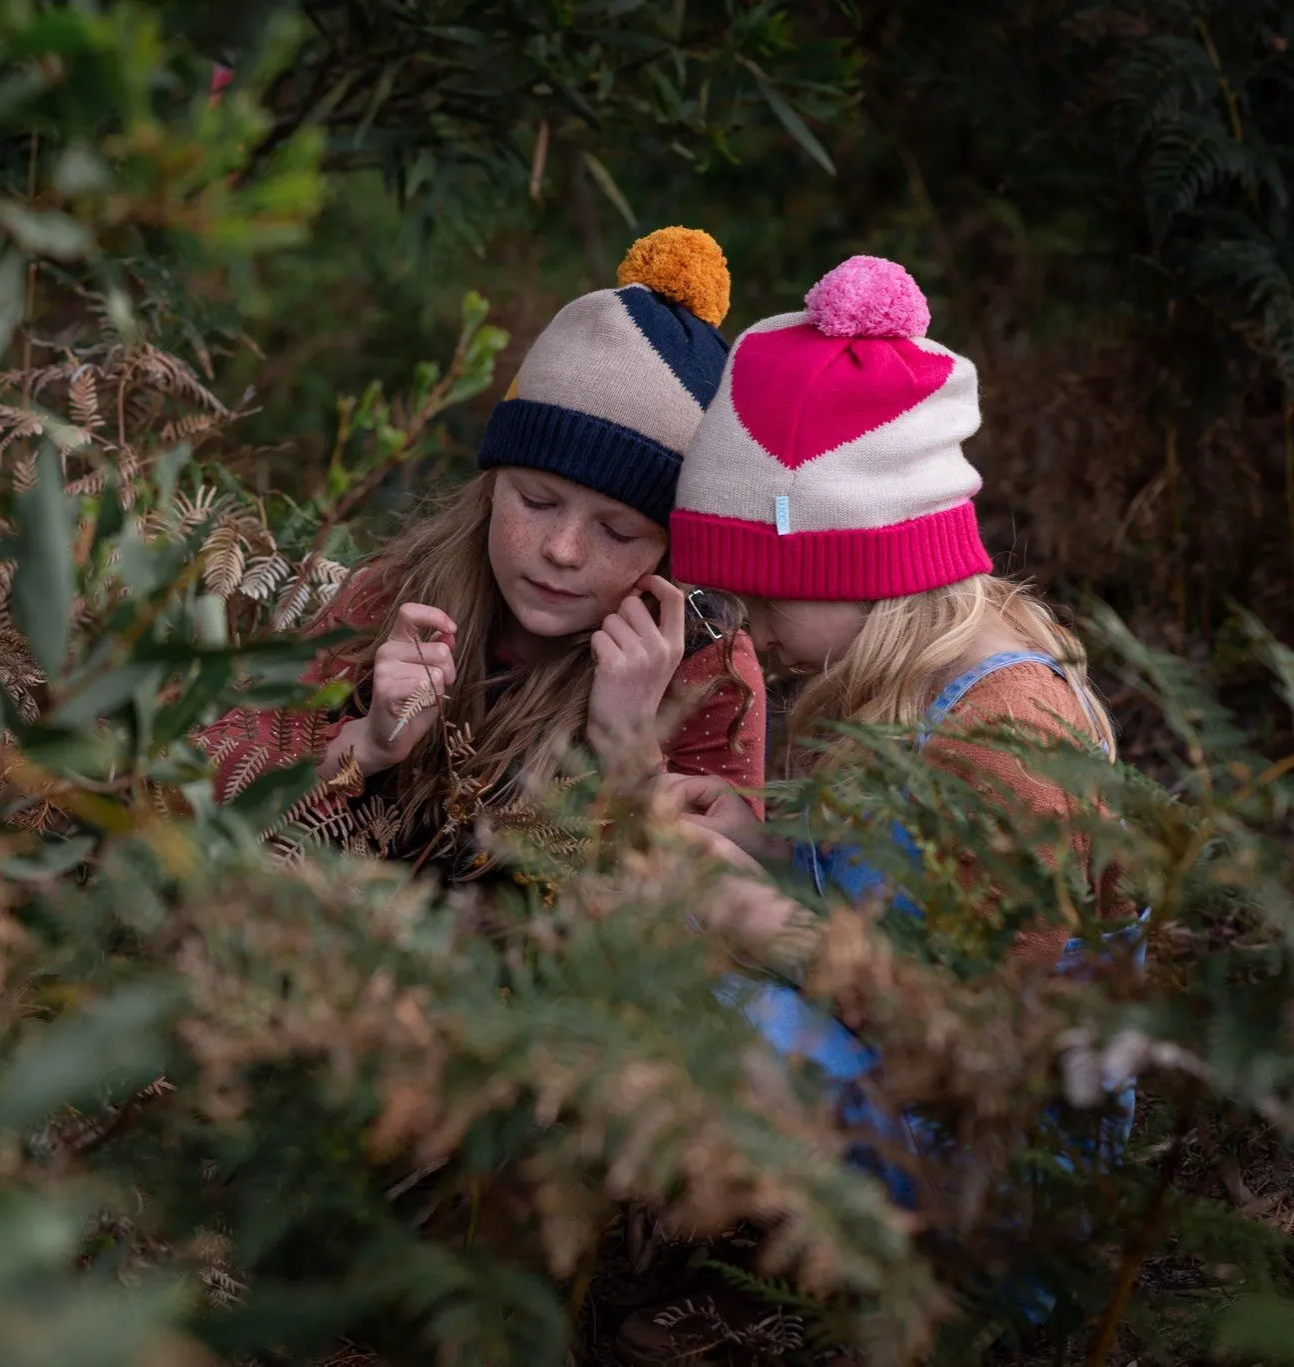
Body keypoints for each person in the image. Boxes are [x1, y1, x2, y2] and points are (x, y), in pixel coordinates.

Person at [609, 256, 1146, 1358]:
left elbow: (995, 1051)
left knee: (691, 997)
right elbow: (889, 897)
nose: (744, 619)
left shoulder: (1006, 735)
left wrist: (772, 927)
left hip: (998, 1189)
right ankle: (759, 1264)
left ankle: (830, 1296)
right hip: (896, 1104)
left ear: (868, 560)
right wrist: (758, 839)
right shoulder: (876, 680)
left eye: (762, 585)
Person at [199, 227, 765, 882]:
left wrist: (628, 755)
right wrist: (366, 746)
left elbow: (710, 934)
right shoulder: (399, 596)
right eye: (536, 500)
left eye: (617, 532)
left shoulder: (708, 670)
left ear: (670, 550)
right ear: (491, 486)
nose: (561, 550)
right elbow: (200, 783)